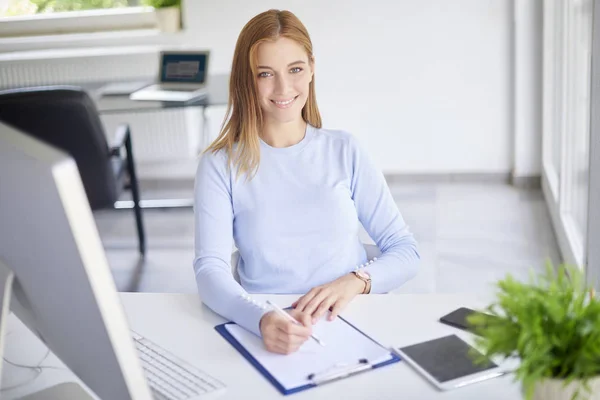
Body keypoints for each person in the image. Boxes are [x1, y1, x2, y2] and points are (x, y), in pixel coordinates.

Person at [194, 9, 420, 355]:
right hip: (268, 326)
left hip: (354, 321)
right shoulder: (219, 164)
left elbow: (405, 250)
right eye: (265, 74)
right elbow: (210, 270)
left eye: (295, 69)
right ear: (245, 79)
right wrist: (260, 319)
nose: (283, 88)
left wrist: (355, 282)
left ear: (312, 68)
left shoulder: (345, 150)